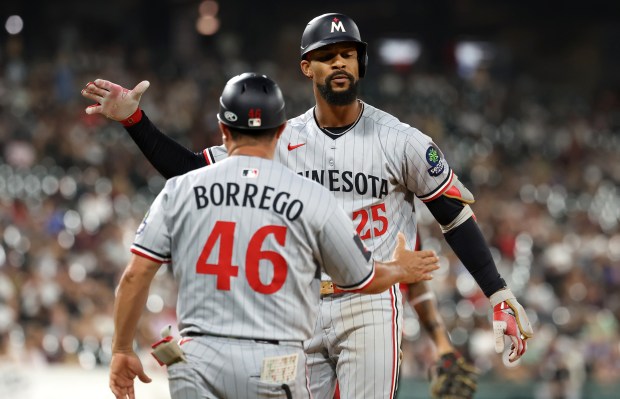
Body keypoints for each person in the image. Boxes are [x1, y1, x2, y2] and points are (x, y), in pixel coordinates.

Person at [83, 13, 533, 399]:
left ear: (361, 62)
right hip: (298, 309)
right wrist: (134, 121)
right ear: (306, 67)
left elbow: (454, 214)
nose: (339, 61)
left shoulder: (403, 141)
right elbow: (192, 175)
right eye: (326, 54)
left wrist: (497, 292)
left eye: (348, 53)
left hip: (370, 304)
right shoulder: (280, 138)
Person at [107, 73, 441, 399]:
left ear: (223, 129)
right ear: (282, 130)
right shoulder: (310, 196)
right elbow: (361, 279)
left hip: (199, 360)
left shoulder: (181, 188)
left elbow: (135, 275)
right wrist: (400, 269)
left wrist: (122, 348)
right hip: (273, 361)